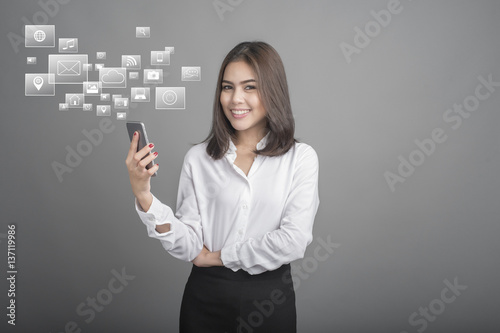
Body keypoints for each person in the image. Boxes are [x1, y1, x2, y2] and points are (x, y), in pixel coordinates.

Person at [125, 41, 319, 333]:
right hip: (205, 299)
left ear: (272, 91)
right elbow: (189, 244)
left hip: (270, 298)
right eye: (227, 87)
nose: (235, 99)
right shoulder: (199, 159)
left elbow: (293, 240)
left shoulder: (300, 158)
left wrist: (218, 256)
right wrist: (144, 194)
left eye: (250, 87)